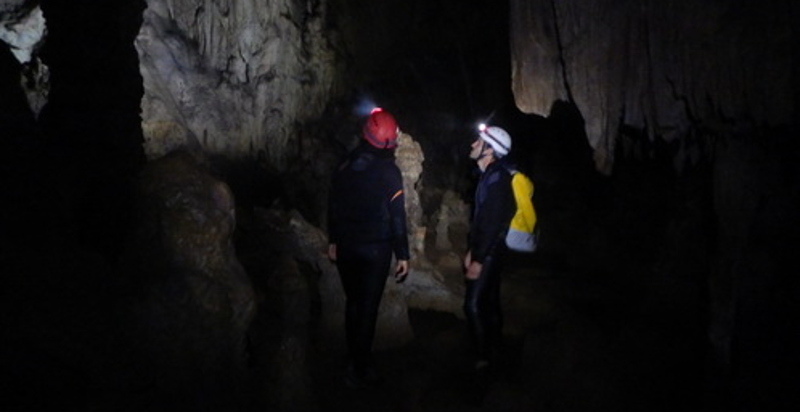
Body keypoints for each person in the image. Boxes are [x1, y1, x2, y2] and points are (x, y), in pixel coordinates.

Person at [327, 108, 410, 389]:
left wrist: (334, 241)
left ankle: (354, 360)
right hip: (376, 248)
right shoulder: (389, 172)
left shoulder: (344, 165)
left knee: (353, 304)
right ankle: (361, 367)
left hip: (348, 244)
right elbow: (397, 216)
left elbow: (334, 206)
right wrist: (404, 254)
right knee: (368, 308)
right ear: (389, 142)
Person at [463, 124, 516, 374]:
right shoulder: (492, 176)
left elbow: (492, 223)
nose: (473, 144)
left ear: (489, 150)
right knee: (489, 301)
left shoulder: (497, 179)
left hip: (491, 252)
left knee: (472, 305)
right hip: (493, 250)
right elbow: (484, 222)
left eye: (478, 141)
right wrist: (472, 251)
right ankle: (496, 348)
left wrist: (479, 259)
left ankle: (482, 357)